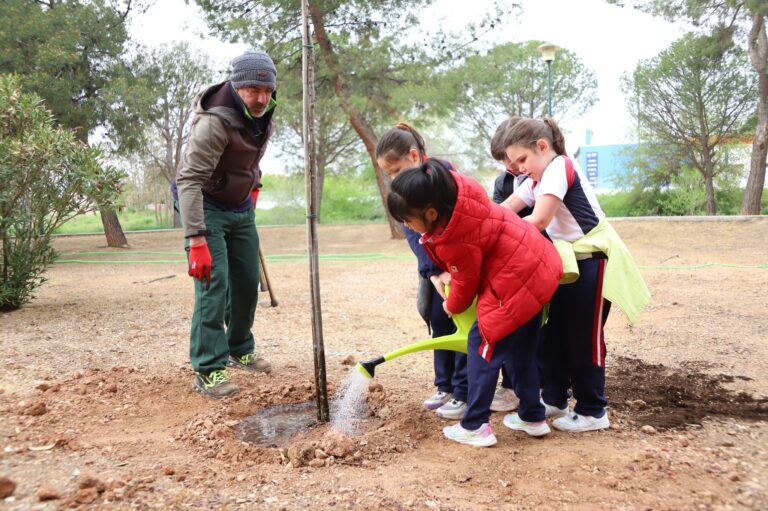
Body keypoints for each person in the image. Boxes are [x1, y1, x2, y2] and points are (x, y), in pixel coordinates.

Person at [388, 159, 563, 447]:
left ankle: (475, 425)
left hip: (515, 281)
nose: (407, 226)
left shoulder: (454, 238)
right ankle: (533, 417)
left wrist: (452, 306)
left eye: (408, 220)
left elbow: (466, 283)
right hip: (540, 267)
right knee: (522, 353)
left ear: (431, 212)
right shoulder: (464, 197)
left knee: (482, 346)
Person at [500, 117, 650, 432]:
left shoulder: (558, 168)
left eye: (523, 159)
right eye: (514, 163)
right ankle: (553, 399)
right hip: (567, 265)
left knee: (584, 338)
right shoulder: (536, 179)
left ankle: (593, 410)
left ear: (542, 146)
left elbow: (538, 220)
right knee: (554, 335)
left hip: (593, 261)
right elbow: (504, 209)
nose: (520, 168)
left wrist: (498, 234)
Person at [173, 49, 277, 400]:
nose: (261, 98)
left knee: (247, 282)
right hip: (204, 203)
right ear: (236, 86)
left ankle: (239, 346)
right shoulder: (214, 121)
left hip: (240, 205)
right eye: (252, 90)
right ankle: (208, 369)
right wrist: (196, 239)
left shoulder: (264, 114)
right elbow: (189, 181)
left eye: (267, 90)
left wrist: (253, 190)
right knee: (212, 284)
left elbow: (250, 161)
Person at [375, 124, 468, 420]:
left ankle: (464, 391)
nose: (394, 179)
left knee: (463, 325)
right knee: (439, 320)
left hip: (458, 268)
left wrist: (452, 270)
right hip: (435, 272)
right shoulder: (405, 191)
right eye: (388, 174)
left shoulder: (444, 178)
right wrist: (433, 273)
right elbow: (416, 237)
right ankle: (445, 386)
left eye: (396, 169)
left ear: (414, 156)